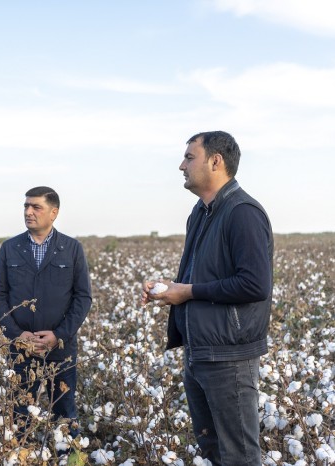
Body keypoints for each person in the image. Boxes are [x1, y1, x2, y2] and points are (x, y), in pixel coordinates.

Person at [142, 131, 273, 465]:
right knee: (212, 450)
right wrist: (169, 289)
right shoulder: (200, 213)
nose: (181, 166)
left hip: (229, 357)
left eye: (189, 157)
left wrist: (188, 291)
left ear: (216, 161)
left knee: (239, 456)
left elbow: (255, 284)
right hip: (199, 352)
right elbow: (199, 278)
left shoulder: (243, 212)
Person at [0, 186, 92, 444]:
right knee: (19, 412)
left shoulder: (71, 248)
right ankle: (18, 455)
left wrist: (59, 335)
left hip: (61, 348)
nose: (28, 212)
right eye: (26, 206)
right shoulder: (10, 248)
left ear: (54, 212)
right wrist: (17, 335)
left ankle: (70, 457)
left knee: (65, 411)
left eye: (36, 207)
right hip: (20, 348)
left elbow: (83, 298)